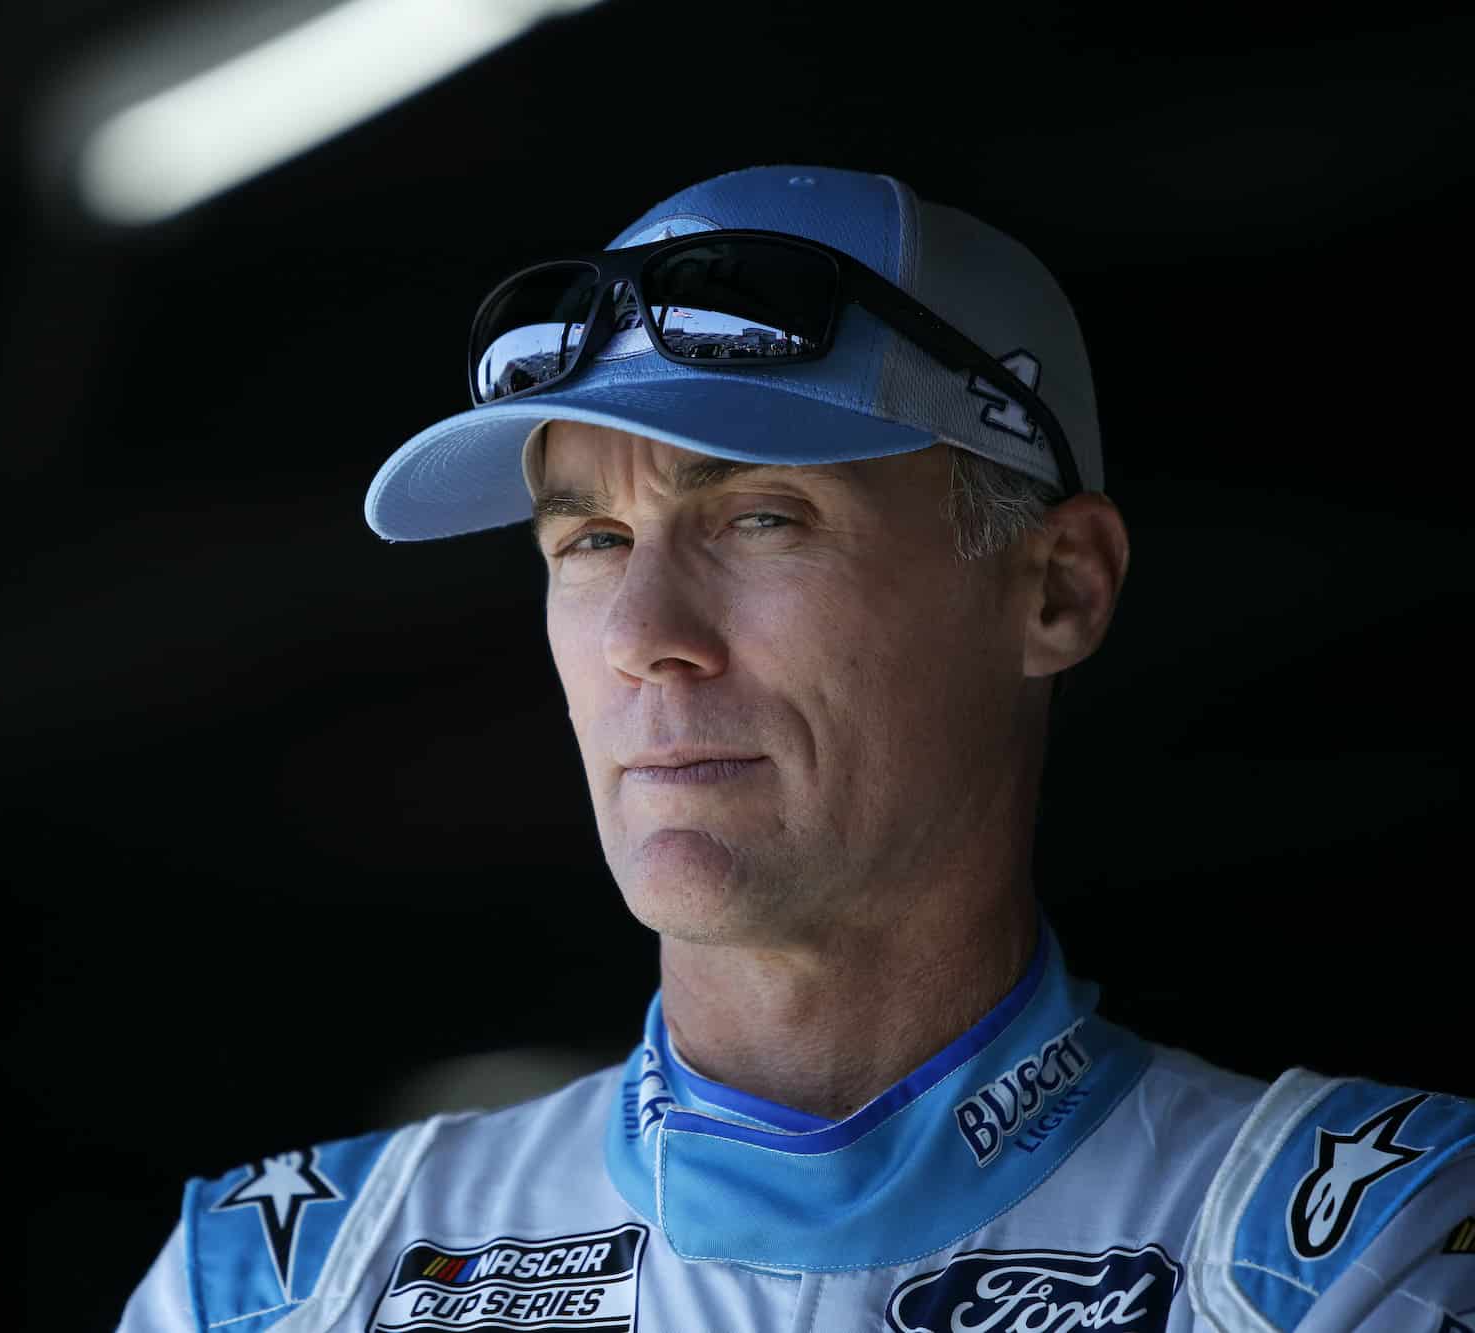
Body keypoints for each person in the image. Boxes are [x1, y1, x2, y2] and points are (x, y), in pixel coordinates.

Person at [113, 165, 1475, 1333]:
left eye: (763, 516)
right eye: (588, 540)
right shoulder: (279, 1284)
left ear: (1055, 586)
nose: (646, 633)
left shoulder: (1358, 1252)